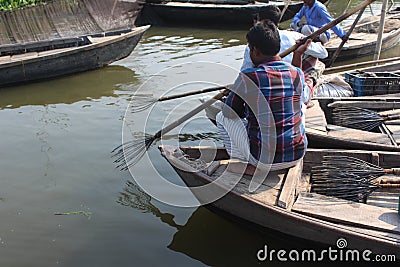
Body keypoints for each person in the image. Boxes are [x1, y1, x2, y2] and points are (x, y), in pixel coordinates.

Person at [216, 20, 310, 175]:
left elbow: (229, 113)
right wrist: (298, 54)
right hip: (297, 154)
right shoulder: (297, 73)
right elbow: (301, 98)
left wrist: (236, 94)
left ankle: (251, 166)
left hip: (264, 160)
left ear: (255, 50)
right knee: (299, 111)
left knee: (220, 117)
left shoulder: (248, 76)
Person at [241, 5, 327, 92]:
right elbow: (323, 53)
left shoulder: (253, 44)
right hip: (290, 81)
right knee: (315, 62)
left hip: (265, 83)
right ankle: (310, 82)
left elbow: (244, 74)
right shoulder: (293, 36)